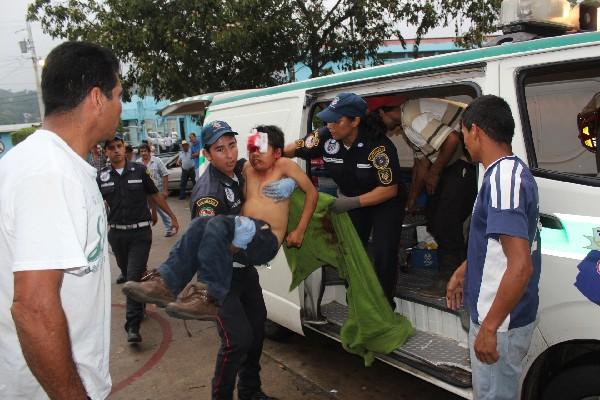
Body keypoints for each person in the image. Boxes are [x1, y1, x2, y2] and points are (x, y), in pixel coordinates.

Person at [123, 121, 314, 400]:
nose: (229, 154)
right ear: (208, 155)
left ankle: (250, 391)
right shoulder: (208, 192)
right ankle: (193, 292)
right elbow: (207, 246)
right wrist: (236, 244)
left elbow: (273, 157)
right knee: (236, 342)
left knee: (256, 329)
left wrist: (290, 184)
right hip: (223, 277)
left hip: (246, 271)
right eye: (219, 149)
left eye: (232, 146)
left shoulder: (239, 168)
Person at [0, 41, 120, 400]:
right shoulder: (50, 175)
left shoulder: (44, 164)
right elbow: (33, 308)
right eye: (119, 94)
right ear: (97, 98)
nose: (120, 106)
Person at [446, 95, 541, 400]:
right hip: (497, 317)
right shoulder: (503, 174)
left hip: (500, 322)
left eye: (463, 135)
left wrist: (489, 328)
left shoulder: (503, 180)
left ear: (475, 131)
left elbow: (520, 266)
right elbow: (495, 244)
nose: (464, 143)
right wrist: (465, 270)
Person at [284, 92, 406, 305]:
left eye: (336, 120)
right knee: (351, 250)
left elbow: (389, 189)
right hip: (352, 199)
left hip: (384, 202)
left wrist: (348, 203)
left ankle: (385, 305)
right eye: (328, 119)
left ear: (355, 121)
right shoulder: (325, 137)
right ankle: (356, 300)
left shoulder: (378, 147)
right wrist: (267, 159)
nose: (330, 125)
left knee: (384, 251)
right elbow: (292, 149)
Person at [369, 95, 477, 296]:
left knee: (445, 221)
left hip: (463, 160)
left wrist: (435, 173)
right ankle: (457, 272)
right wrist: (412, 198)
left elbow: (452, 140)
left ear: (383, 112)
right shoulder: (408, 126)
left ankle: (451, 279)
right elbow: (421, 163)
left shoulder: (412, 118)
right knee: (433, 215)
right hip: (450, 163)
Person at [98, 135, 179, 343]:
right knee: (128, 273)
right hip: (116, 234)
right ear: (106, 152)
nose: (116, 150)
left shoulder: (139, 171)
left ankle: (132, 326)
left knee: (132, 278)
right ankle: (140, 302)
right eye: (111, 147)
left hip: (140, 233)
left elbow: (154, 195)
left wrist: (171, 215)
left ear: (124, 149)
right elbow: (94, 205)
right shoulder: (102, 177)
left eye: (119, 146)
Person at [137, 143, 175, 237]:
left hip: (157, 192)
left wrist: (165, 190)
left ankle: (170, 228)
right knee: (142, 212)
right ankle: (142, 232)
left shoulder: (157, 161)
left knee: (162, 210)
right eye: (141, 151)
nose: (143, 153)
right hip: (144, 193)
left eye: (145, 151)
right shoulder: (138, 163)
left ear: (149, 152)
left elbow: (165, 174)